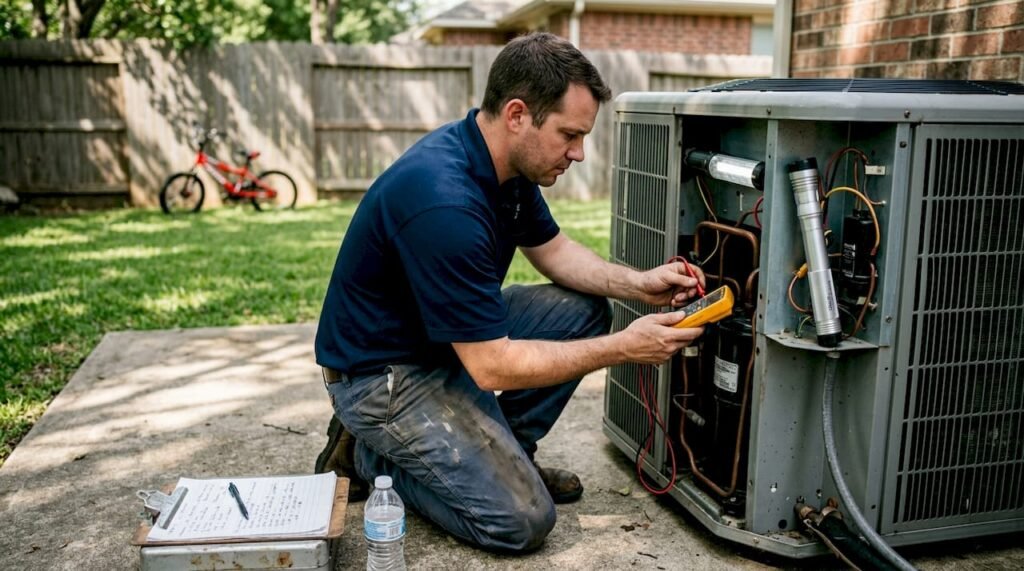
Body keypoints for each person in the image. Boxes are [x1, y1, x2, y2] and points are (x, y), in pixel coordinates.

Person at [314, 32, 705, 552]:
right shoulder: (444, 201)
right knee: (521, 521)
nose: (579, 154)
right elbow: (491, 367)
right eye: (570, 134)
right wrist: (623, 348)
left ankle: (508, 455)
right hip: (383, 375)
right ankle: (371, 455)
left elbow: (556, 252)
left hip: (443, 341)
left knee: (583, 310)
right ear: (518, 114)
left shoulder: (509, 168)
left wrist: (637, 284)